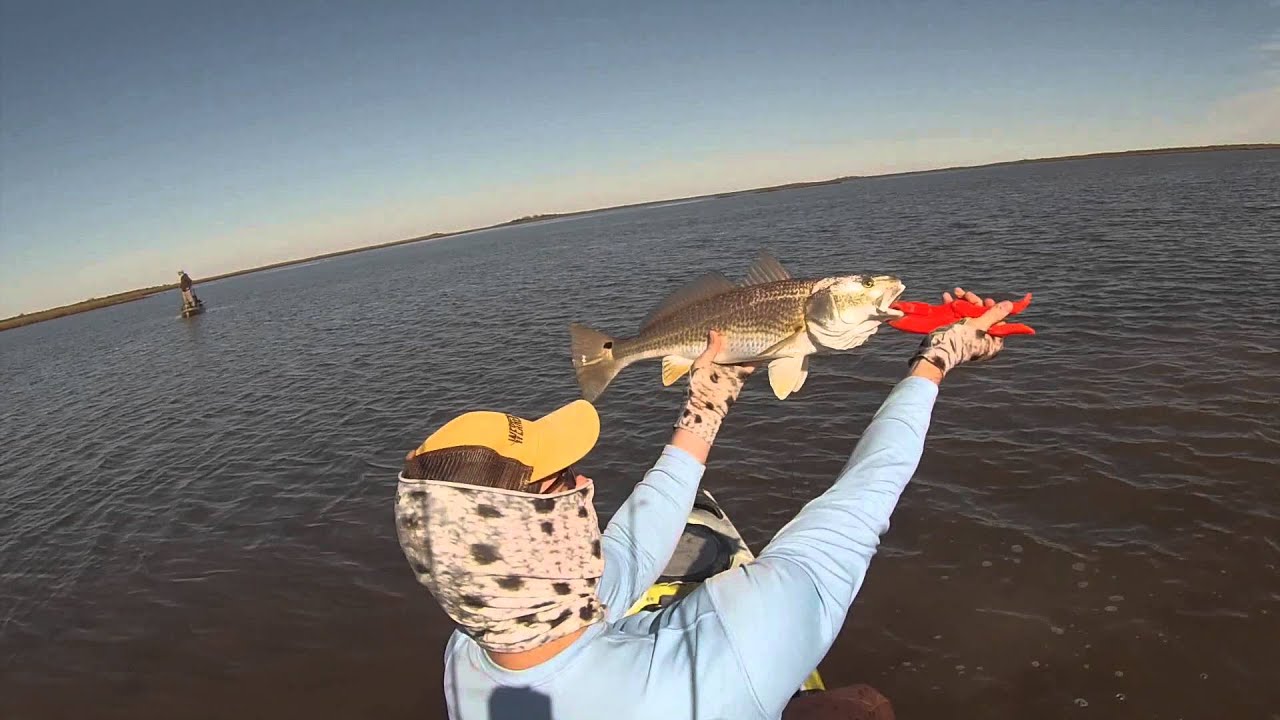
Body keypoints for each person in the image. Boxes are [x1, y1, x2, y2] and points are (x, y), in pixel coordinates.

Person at [394, 287, 1019, 720]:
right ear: (541, 535)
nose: (585, 486)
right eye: (563, 482)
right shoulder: (734, 650)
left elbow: (631, 550)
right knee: (866, 706)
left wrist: (705, 408)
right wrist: (937, 358)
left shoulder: (472, 653)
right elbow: (864, 498)